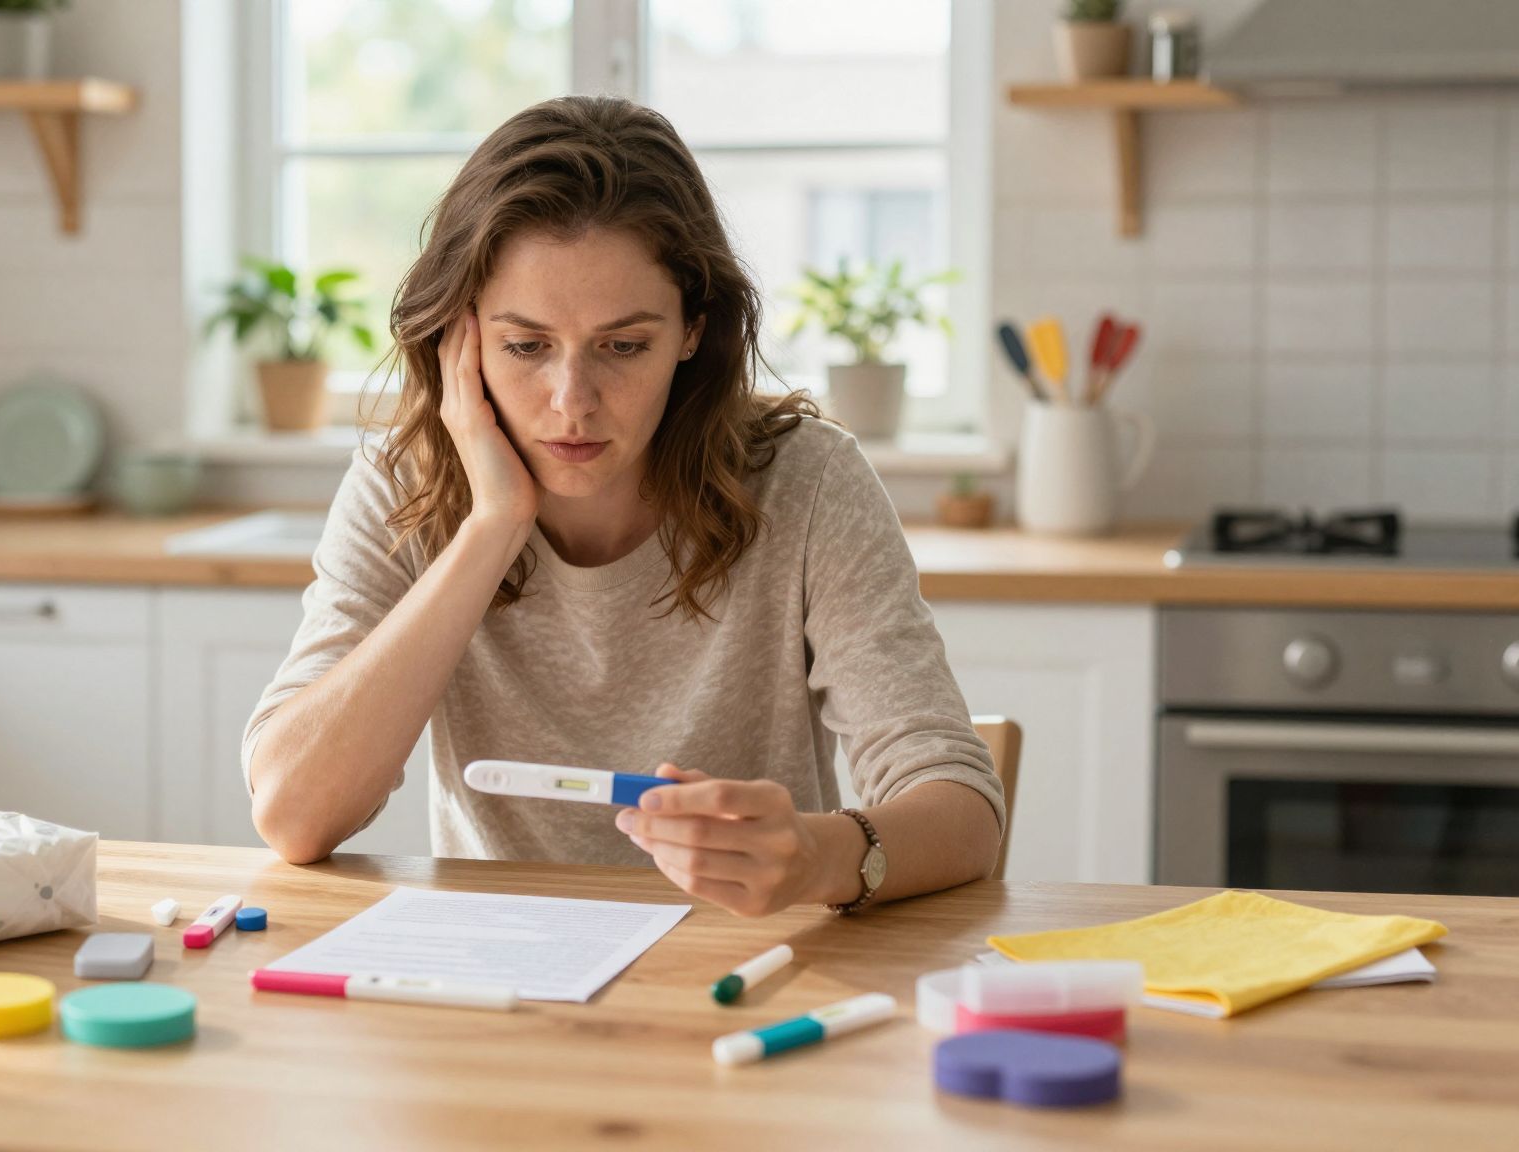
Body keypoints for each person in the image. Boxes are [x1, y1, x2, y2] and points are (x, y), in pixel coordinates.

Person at [242, 95, 1002, 917]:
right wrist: (492, 525)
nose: (572, 401)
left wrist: (821, 855)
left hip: (740, 974)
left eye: (624, 346)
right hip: (494, 988)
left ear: (691, 331)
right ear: (462, 340)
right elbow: (292, 812)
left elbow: (963, 811)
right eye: (526, 346)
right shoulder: (406, 486)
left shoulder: (808, 483)